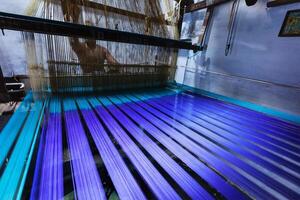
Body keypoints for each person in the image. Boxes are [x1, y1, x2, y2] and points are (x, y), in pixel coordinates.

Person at [61, 0, 119, 73]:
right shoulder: (82, 48)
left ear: (95, 34)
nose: (88, 35)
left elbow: (115, 63)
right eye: (86, 33)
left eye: (90, 32)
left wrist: (116, 66)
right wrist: (74, 21)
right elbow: (73, 41)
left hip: (101, 81)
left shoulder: (103, 50)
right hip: (88, 80)